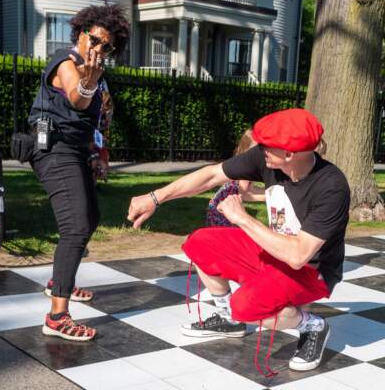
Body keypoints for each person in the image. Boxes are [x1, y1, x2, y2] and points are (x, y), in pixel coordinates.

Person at [128, 108, 350, 375]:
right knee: (200, 242)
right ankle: (228, 319)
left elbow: (298, 255)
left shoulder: (331, 186)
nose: (261, 149)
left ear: (289, 154)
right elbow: (211, 175)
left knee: (247, 306)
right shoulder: (266, 158)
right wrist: (155, 198)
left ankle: (312, 326)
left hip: (312, 271)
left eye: (268, 145)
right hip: (273, 251)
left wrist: (242, 218)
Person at [28, 4, 129, 341]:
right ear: (81, 33)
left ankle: (60, 280)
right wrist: (90, 83)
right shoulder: (66, 62)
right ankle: (57, 317)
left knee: (92, 217)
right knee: (76, 226)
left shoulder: (98, 78)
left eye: (106, 46)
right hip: (53, 150)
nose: (98, 48)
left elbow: (99, 120)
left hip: (77, 151)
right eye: (95, 39)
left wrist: (101, 154)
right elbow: (76, 99)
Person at [206, 128, 265, 227]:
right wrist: (266, 197)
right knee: (224, 237)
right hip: (221, 209)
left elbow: (250, 189)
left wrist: (267, 191)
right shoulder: (245, 168)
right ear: (247, 150)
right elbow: (244, 195)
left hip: (221, 206)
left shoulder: (243, 164)